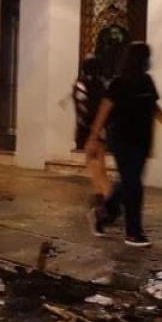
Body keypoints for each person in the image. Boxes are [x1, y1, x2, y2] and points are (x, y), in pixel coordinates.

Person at [86, 42, 162, 248]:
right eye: (147, 56)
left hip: (142, 140)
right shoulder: (118, 83)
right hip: (122, 140)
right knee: (134, 185)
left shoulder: (147, 82)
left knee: (129, 182)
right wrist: (94, 137)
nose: (150, 61)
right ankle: (133, 233)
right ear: (140, 59)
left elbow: (154, 107)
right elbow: (104, 110)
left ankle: (101, 214)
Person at [72, 57, 111, 233]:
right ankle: (100, 201)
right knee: (101, 168)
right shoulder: (104, 85)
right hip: (102, 132)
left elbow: (83, 109)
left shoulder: (82, 85)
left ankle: (109, 204)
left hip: (89, 132)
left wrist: (89, 134)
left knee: (96, 171)